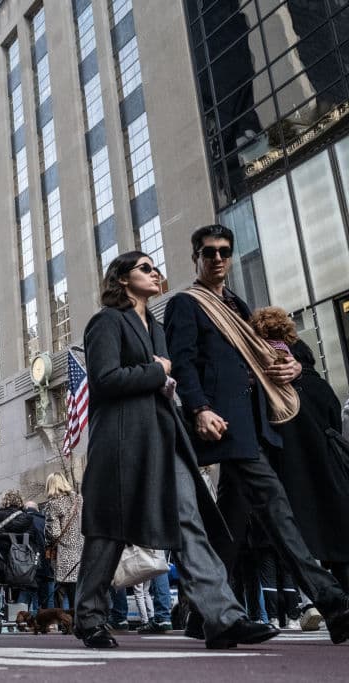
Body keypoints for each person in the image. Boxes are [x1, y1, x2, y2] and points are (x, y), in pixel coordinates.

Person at [75, 252, 277, 650]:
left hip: (166, 437)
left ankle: (223, 617)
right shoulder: (107, 321)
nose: (155, 273)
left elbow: (166, 377)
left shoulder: (157, 326)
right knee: (109, 530)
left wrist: (173, 384)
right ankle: (90, 617)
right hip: (122, 440)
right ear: (122, 278)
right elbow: (104, 378)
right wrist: (158, 371)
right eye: (145, 268)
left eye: (156, 268)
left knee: (189, 522)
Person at [164, 225, 349, 644]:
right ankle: (333, 603)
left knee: (231, 523)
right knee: (275, 507)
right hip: (224, 423)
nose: (217, 258)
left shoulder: (237, 304)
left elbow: (263, 356)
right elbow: (183, 362)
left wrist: (296, 366)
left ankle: (202, 613)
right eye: (208, 252)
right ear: (196, 257)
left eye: (224, 251)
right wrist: (200, 408)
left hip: (255, 424)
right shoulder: (186, 304)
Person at [249, 306, 349, 596]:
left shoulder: (264, 381)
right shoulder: (311, 377)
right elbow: (333, 414)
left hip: (293, 468)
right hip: (330, 465)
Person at [0, 490, 40, 633]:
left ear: (4, 501)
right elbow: (36, 542)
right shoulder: (28, 519)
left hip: (0, 568)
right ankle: (23, 614)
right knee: (23, 584)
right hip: (23, 570)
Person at [44, 472, 83, 611]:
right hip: (81, 552)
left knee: (60, 593)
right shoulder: (79, 500)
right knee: (77, 592)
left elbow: (54, 533)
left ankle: (63, 620)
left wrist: (47, 539)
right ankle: (78, 619)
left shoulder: (53, 504)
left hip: (64, 554)